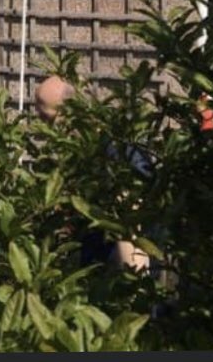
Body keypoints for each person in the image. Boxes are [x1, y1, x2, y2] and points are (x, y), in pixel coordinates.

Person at [33, 75, 151, 273]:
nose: (46, 128)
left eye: (48, 119)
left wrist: (132, 282)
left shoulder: (113, 153)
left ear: (70, 112)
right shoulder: (82, 155)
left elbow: (129, 218)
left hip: (117, 273)